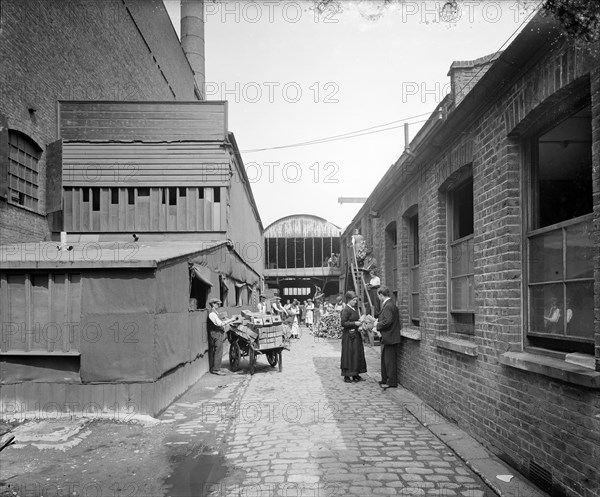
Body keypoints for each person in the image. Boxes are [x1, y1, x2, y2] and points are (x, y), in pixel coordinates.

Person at [375, 286, 402, 390]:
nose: (378, 298)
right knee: (386, 360)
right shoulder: (390, 304)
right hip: (389, 337)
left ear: (381, 295)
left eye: (378, 296)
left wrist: (377, 325)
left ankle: (391, 382)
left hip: (390, 337)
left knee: (389, 361)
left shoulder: (387, 306)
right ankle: (385, 379)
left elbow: (388, 321)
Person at [339, 291, 367, 383]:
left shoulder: (354, 309)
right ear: (349, 300)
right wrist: (355, 323)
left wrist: (359, 325)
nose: (355, 302)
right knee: (348, 355)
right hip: (349, 336)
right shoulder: (346, 310)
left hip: (356, 335)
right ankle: (347, 375)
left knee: (356, 354)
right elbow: (343, 323)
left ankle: (355, 374)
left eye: (356, 300)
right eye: (354, 300)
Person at [207, 298, 236, 376]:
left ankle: (216, 368)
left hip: (217, 333)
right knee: (218, 351)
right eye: (217, 304)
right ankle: (216, 369)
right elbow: (220, 323)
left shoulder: (215, 312)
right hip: (216, 333)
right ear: (213, 304)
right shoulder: (212, 314)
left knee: (217, 351)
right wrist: (231, 320)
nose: (219, 305)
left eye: (219, 304)